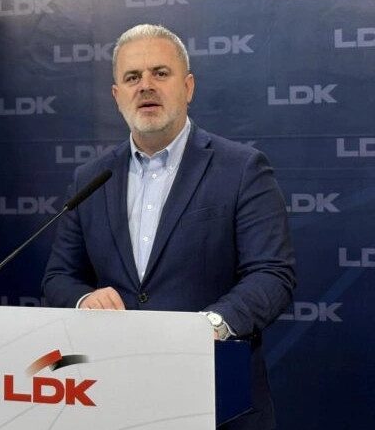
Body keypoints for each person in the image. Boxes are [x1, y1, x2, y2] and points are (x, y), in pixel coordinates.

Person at [42, 24, 295, 429]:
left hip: (217, 394)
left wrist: (211, 326)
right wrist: (84, 300)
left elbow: (272, 274)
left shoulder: (242, 168)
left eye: (160, 73)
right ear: (117, 96)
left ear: (188, 87)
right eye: (132, 77)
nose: (145, 86)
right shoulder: (91, 178)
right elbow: (59, 277)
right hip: (115, 393)